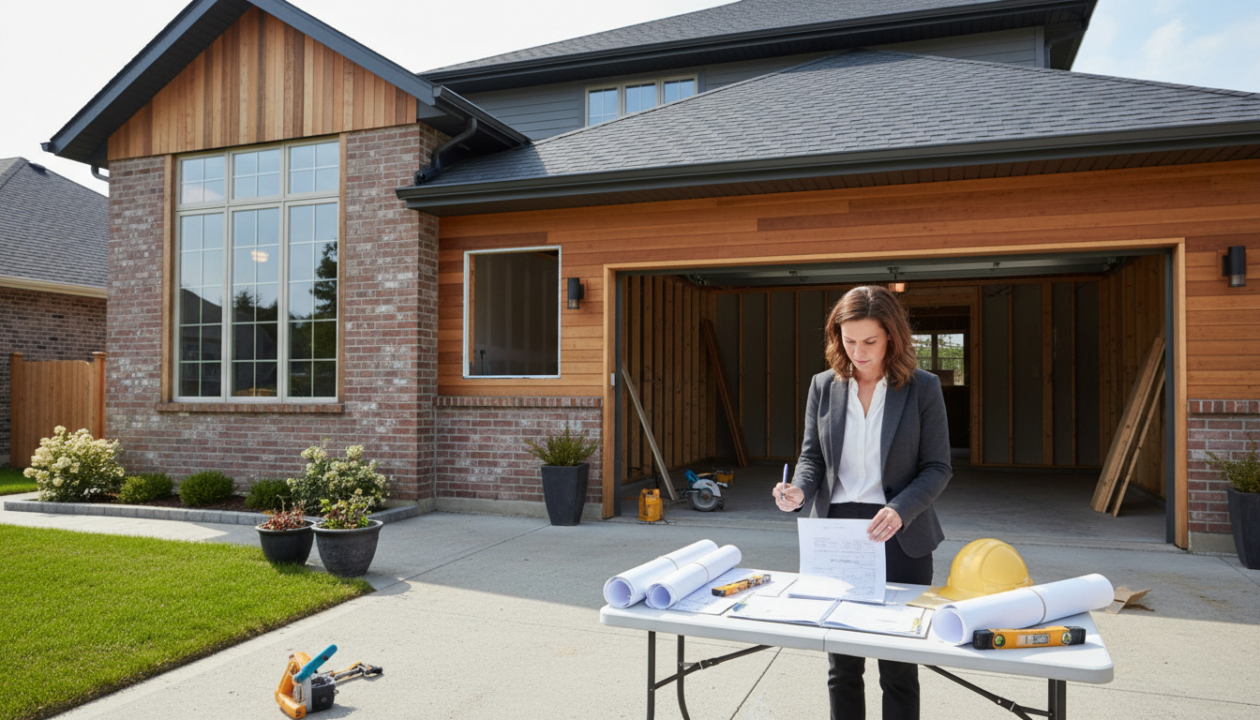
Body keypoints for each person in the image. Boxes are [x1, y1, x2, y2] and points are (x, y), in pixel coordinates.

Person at [772, 285, 951, 720]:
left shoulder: (922, 388)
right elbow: (813, 457)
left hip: (901, 532)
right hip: (837, 532)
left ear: (892, 336)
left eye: (869, 341)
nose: (858, 352)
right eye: (848, 341)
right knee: (843, 667)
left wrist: (900, 509)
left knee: (898, 668)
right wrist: (798, 491)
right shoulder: (824, 386)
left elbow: (938, 467)